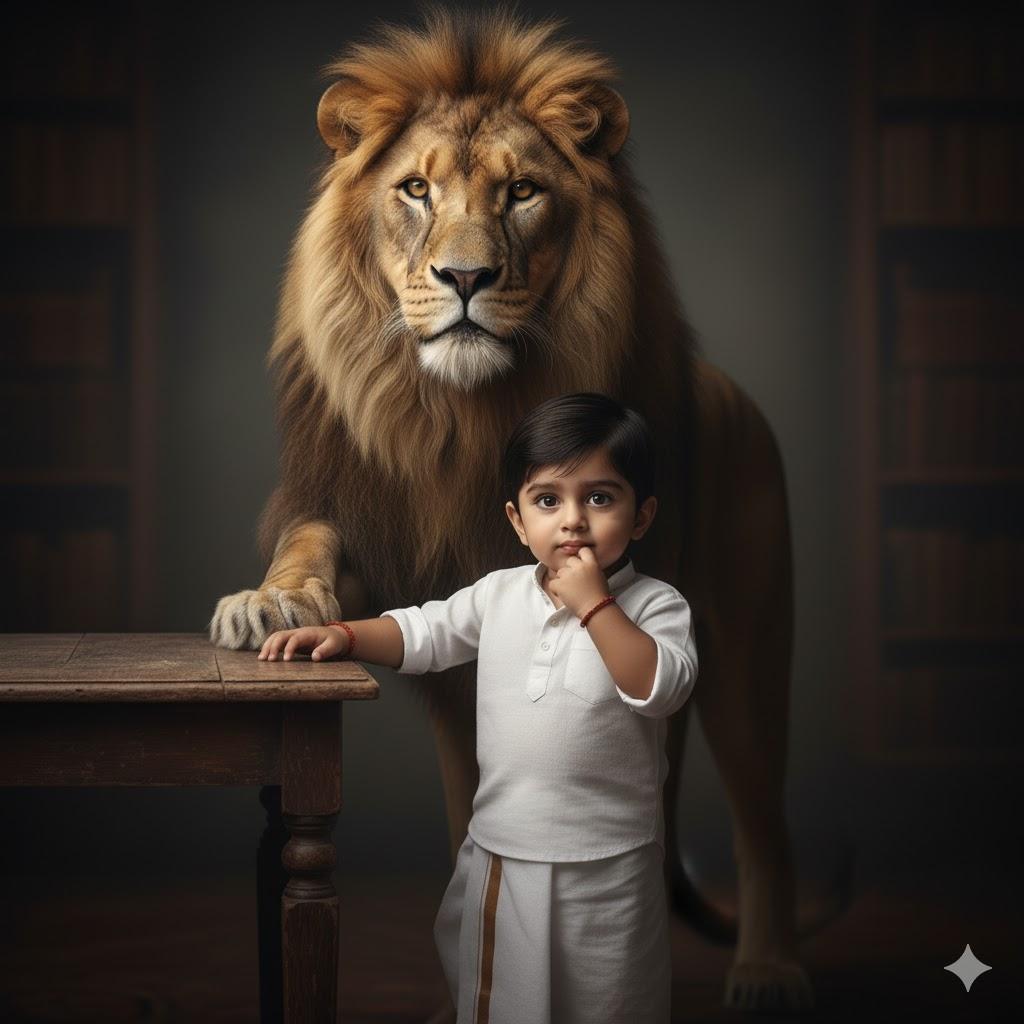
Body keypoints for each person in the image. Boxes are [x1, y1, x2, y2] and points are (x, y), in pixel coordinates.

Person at [258, 391, 698, 1024]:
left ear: (642, 515)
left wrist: (596, 607)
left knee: (615, 1003)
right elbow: (425, 633)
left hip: (614, 864)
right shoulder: (499, 595)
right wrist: (348, 635)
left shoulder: (658, 606)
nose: (572, 520)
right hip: (504, 854)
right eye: (549, 500)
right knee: (502, 1004)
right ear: (518, 521)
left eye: (600, 498)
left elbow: (660, 685)